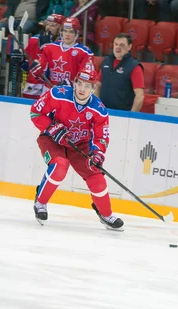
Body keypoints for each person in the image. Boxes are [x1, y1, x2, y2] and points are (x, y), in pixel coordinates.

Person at [29, 68, 125, 230]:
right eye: (79, 83)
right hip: (53, 139)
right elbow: (35, 112)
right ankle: (41, 202)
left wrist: (97, 154)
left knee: (97, 177)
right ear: (74, 83)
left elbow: (101, 137)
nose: (82, 89)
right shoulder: (57, 94)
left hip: (79, 145)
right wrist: (52, 128)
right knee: (60, 165)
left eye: (87, 86)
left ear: (94, 89)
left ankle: (106, 214)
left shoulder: (99, 110)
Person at [10, 13, 64, 99]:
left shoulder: (64, 46)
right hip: (32, 89)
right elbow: (28, 67)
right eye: (48, 24)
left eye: (53, 25)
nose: (49, 27)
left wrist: (47, 48)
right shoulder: (34, 40)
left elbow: (53, 70)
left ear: (60, 29)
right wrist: (21, 61)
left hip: (51, 91)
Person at [30, 17, 94, 87]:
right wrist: (37, 71)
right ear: (61, 32)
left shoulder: (85, 52)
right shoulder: (49, 47)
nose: (67, 34)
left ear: (76, 34)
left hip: (70, 92)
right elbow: (43, 75)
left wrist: (72, 84)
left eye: (71, 32)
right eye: (65, 31)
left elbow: (87, 77)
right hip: (49, 91)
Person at [96, 33, 145, 112]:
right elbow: (98, 85)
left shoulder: (134, 67)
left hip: (122, 115)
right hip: (102, 112)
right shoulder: (106, 61)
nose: (118, 47)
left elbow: (140, 96)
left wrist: (131, 116)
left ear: (129, 47)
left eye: (122, 45)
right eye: (116, 44)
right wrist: (96, 107)